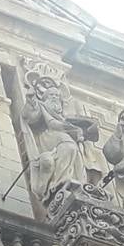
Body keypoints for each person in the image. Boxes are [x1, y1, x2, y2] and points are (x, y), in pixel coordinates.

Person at [21, 75, 98, 205]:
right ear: (45, 97)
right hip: (49, 137)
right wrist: (31, 100)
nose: (55, 98)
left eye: (57, 96)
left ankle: (68, 180)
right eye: (52, 95)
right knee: (68, 147)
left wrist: (78, 130)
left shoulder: (62, 116)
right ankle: (58, 182)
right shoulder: (42, 106)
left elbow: (61, 124)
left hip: (63, 137)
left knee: (72, 150)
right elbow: (37, 119)